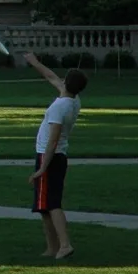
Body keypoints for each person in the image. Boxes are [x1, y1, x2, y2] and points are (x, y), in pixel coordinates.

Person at [22, 52, 86, 260]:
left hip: (50, 157)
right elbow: (51, 77)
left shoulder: (60, 107)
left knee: (52, 204)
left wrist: (41, 168)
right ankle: (52, 247)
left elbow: (53, 140)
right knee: (44, 207)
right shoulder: (72, 99)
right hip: (54, 156)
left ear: (67, 82)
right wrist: (35, 63)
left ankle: (65, 245)